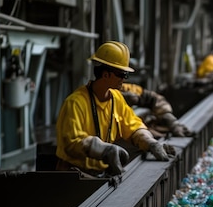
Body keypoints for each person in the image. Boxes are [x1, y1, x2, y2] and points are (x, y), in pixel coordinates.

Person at [55, 41, 175, 176]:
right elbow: (71, 143)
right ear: (106, 74)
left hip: (100, 173)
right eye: (122, 74)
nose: (124, 79)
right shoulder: (75, 103)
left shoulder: (116, 98)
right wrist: (103, 150)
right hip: (73, 176)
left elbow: (132, 126)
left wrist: (150, 142)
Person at [120, 82, 191, 137]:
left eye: (124, 75)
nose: (122, 79)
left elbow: (153, 98)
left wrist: (170, 119)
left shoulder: (122, 87)